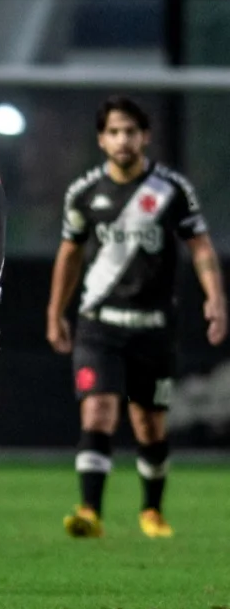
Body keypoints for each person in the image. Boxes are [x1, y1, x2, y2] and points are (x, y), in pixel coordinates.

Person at [46, 96, 226, 539]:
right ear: (101, 139)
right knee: (99, 412)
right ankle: (89, 510)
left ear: (145, 137)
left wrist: (215, 298)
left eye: (131, 131)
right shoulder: (84, 193)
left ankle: (152, 511)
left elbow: (200, 247)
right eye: (114, 131)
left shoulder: (170, 190)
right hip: (99, 323)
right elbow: (69, 256)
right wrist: (55, 312)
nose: (123, 139)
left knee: (149, 422)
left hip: (153, 326)